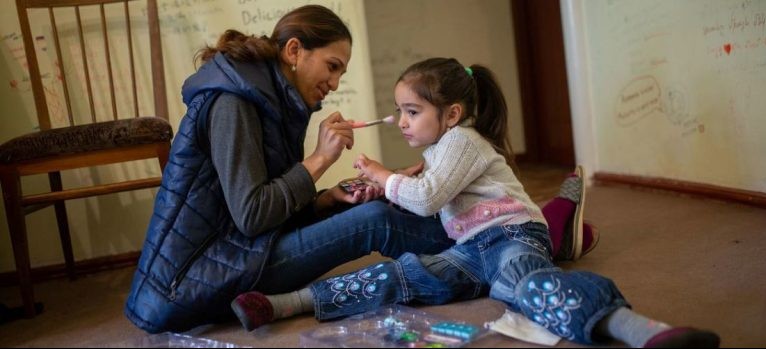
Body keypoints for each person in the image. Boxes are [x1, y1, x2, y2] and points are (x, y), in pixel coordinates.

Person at [124, 5, 592, 334]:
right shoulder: (234, 103)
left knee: (383, 206)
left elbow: (261, 209)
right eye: (332, 66)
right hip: (193, 282)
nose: (334, 83)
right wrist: (321, 159)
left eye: (341, 72)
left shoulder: (262, 96)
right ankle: (534, 234)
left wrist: (328, 198)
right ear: (293, 51)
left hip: (242, 251)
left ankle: (520, 232)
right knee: (378, 220)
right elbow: (251, 215)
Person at [231, 58, 720, 348]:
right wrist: (387, 185)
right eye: (399, 111)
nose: (401, 122)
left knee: (526, 285)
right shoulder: (443, 148)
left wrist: (383, 174)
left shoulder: (464, 140)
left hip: (510, 235)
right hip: (469, 249)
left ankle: (644, 331)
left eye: (411, 112)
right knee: (402, 274)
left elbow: (425, 201)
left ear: (453, 114)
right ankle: (284, 303)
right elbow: (424, 189)